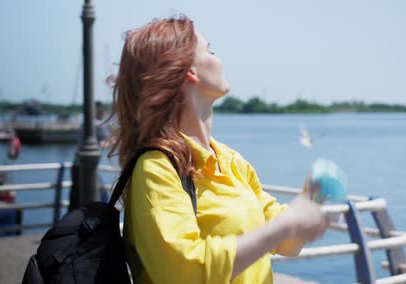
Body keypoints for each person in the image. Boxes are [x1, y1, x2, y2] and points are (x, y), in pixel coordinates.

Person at [109, 16, 329, 284]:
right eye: (210, 50)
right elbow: (183, 272)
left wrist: (312, 200)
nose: (219, 58)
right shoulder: (156, 167)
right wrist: (285, 225)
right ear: (191, 70)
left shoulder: (229, 160)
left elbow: (289, 245)